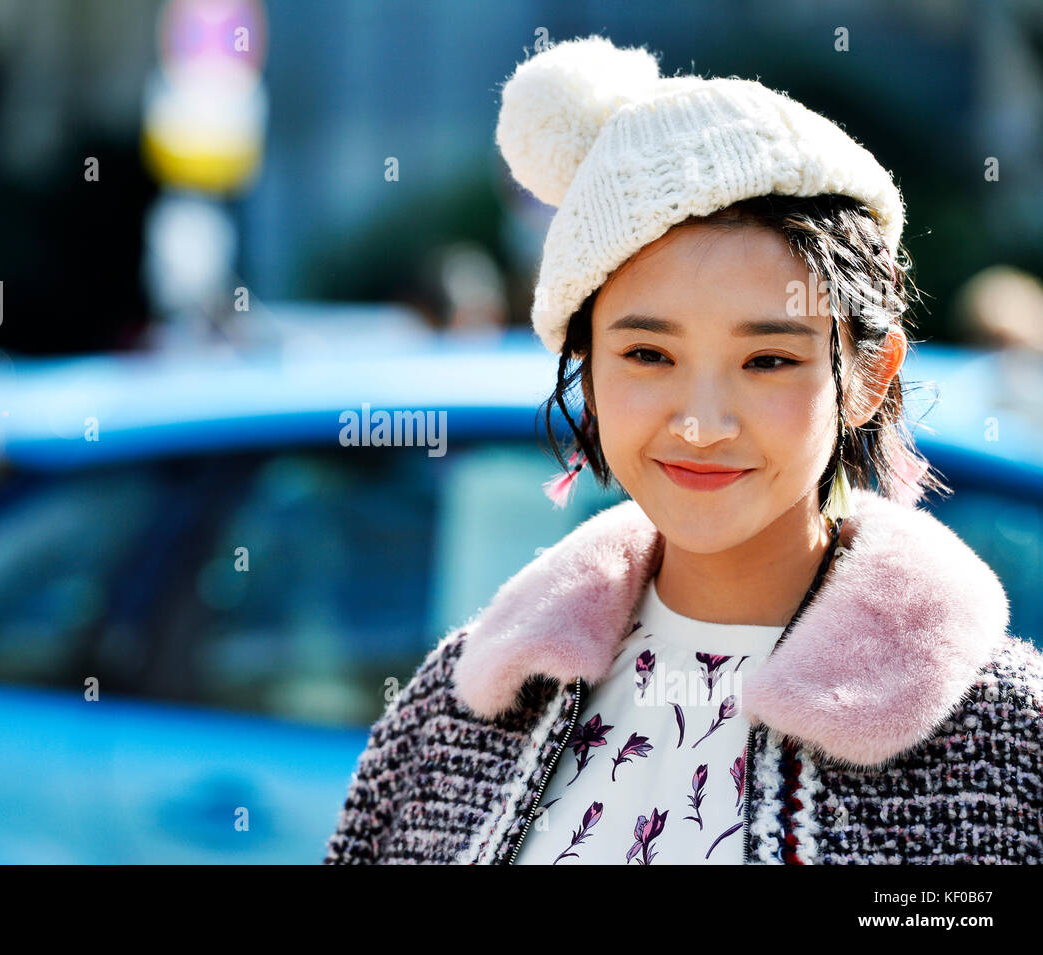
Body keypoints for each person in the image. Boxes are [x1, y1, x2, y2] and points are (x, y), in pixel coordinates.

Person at [322, 35, 1043, 865]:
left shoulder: (1000, 741)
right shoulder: (465, 705)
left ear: (868, 375)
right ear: (585, 364)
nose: (701, 423)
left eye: (767, 360)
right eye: (648, 355)